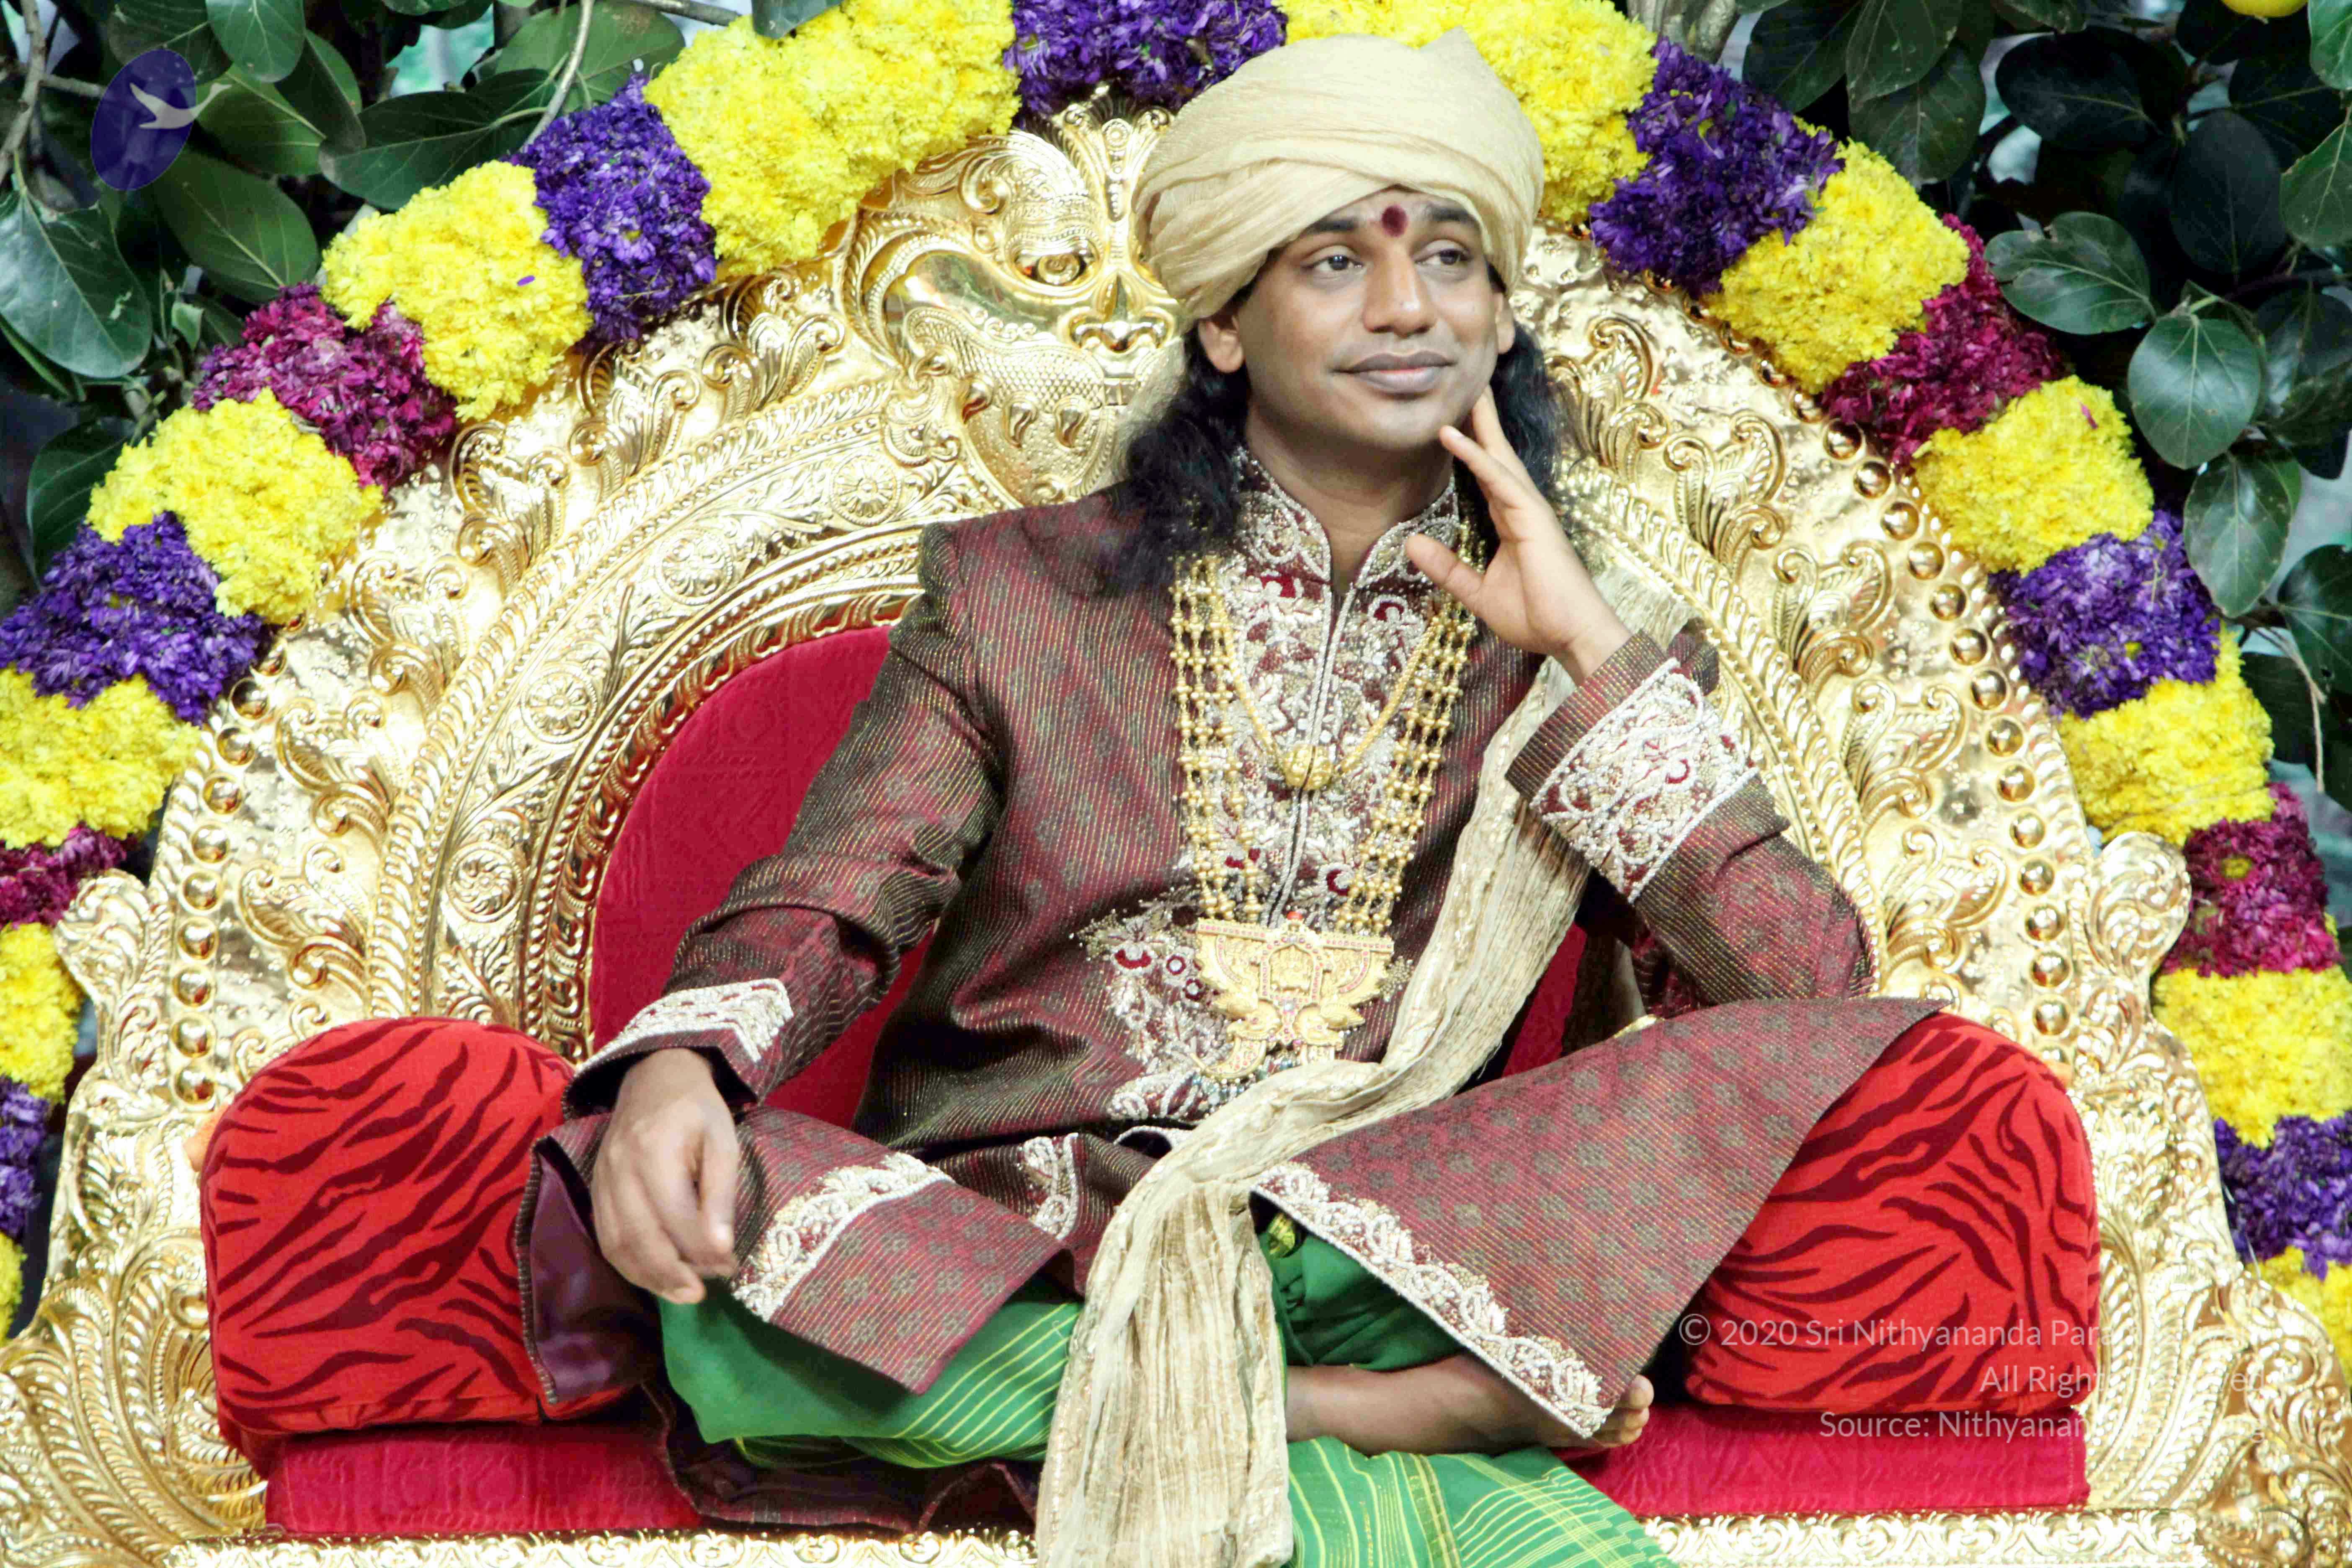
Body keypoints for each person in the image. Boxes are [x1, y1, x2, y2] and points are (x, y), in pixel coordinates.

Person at [516, 28, 1941, 1567]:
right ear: (1221, 324)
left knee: (1609, 1175)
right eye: (1334, 262)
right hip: (1026, 1236)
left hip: (1374, 1243)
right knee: (713, 1247)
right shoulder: (1015, 596)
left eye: (1451, 257)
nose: (1407, 308)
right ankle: (1375, 1415)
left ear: (1501, 311)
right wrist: (684, 1073)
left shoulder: (1593, 657)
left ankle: (1247, 1384)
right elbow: (837, 894)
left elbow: (1806, 998)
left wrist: (1587, 648)